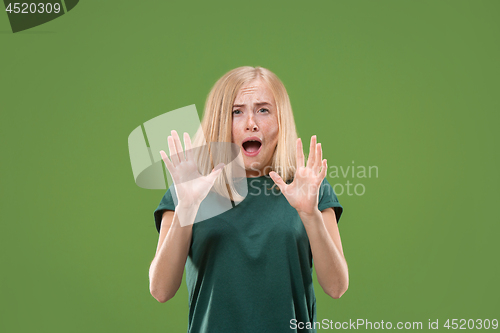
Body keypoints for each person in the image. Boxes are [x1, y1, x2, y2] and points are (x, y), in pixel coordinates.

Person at [149, 66, 348, 333]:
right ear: (220, 121)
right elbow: (161, 290)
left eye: (263, 110)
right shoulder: (188, 189)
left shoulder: (310, 189)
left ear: (281, 121)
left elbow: (336, 287)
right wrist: (186, 206)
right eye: (237, 111)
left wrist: (310, 214)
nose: (250, 122)